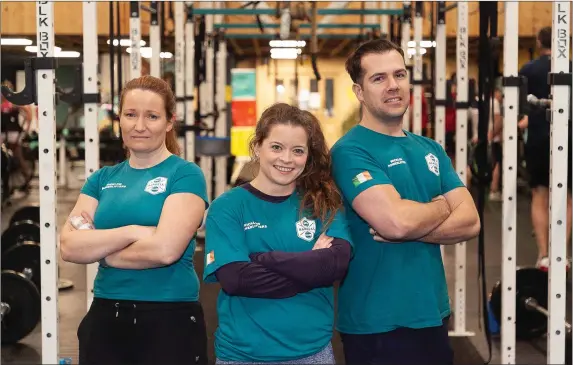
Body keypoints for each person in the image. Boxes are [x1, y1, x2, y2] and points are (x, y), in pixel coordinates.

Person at [330, 38, 481, 365]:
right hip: (377, 321)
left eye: (399, 75)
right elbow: (395, 222)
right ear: (359, 92)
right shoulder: (350, 151)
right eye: (378, 78)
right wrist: (443, 206)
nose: (393, 85)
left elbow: (471, 221)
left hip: (433, 312)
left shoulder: (431, 148)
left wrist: (412, 225)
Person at [60, 75, 209, 365]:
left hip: (168, 317)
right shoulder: (101, 180)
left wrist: (104, 251)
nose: (139, 125)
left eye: (152, 116)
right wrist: (134, 231)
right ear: (120, 119)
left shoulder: (185, 175)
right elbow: (69, 247)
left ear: (169, 122)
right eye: (130, 115)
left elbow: (165, 250)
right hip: (105, 314)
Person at [203, 103, 353, 364]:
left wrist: (266, 259)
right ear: (258, 146)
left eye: (298, 151)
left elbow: (336, 264)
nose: (286, 159)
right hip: (242, 355)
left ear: (308, 156)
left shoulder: (323, 202)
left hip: (312, 354)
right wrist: (311, 268)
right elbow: (236, 279)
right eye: (276, 147)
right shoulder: (227, 207)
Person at [518, 26, 572, 270]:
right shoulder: (571, 67)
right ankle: (560, 254)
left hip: (539, 138)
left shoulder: (529, 69)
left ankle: (544, 255)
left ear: (539, 43)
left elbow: (521, 108)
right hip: (569, 137)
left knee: (540, 193)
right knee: (569, 196)